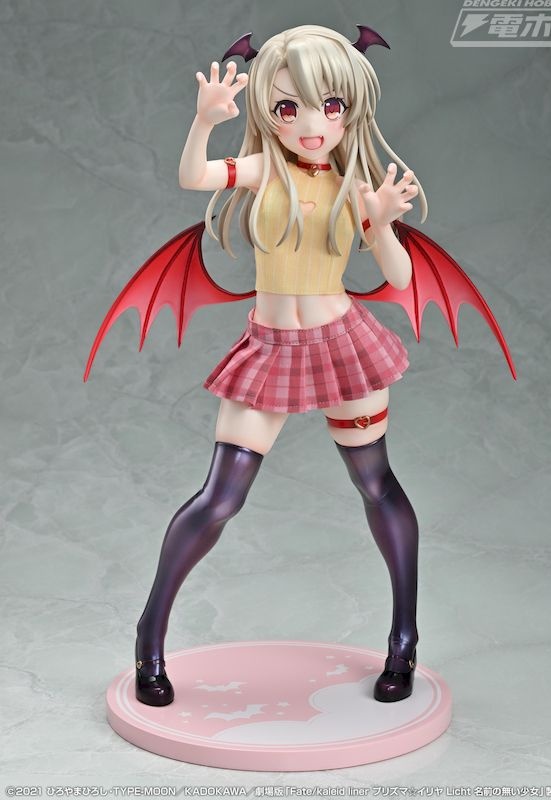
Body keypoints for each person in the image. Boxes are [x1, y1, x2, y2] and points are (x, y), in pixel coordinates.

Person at [134, 24, 425, 707]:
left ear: (351, 109)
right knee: (220, 497)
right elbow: (194, 176)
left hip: (343, 348)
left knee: (376, 484)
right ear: (269, 112)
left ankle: (404, 638)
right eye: (288, 108)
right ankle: (150, 634)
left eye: (331, 106)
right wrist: (205, 122)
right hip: (270, 351)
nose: (312, 125)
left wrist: (382, 222)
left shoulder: (354, 187)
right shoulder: (266, 168)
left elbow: (401, 277)